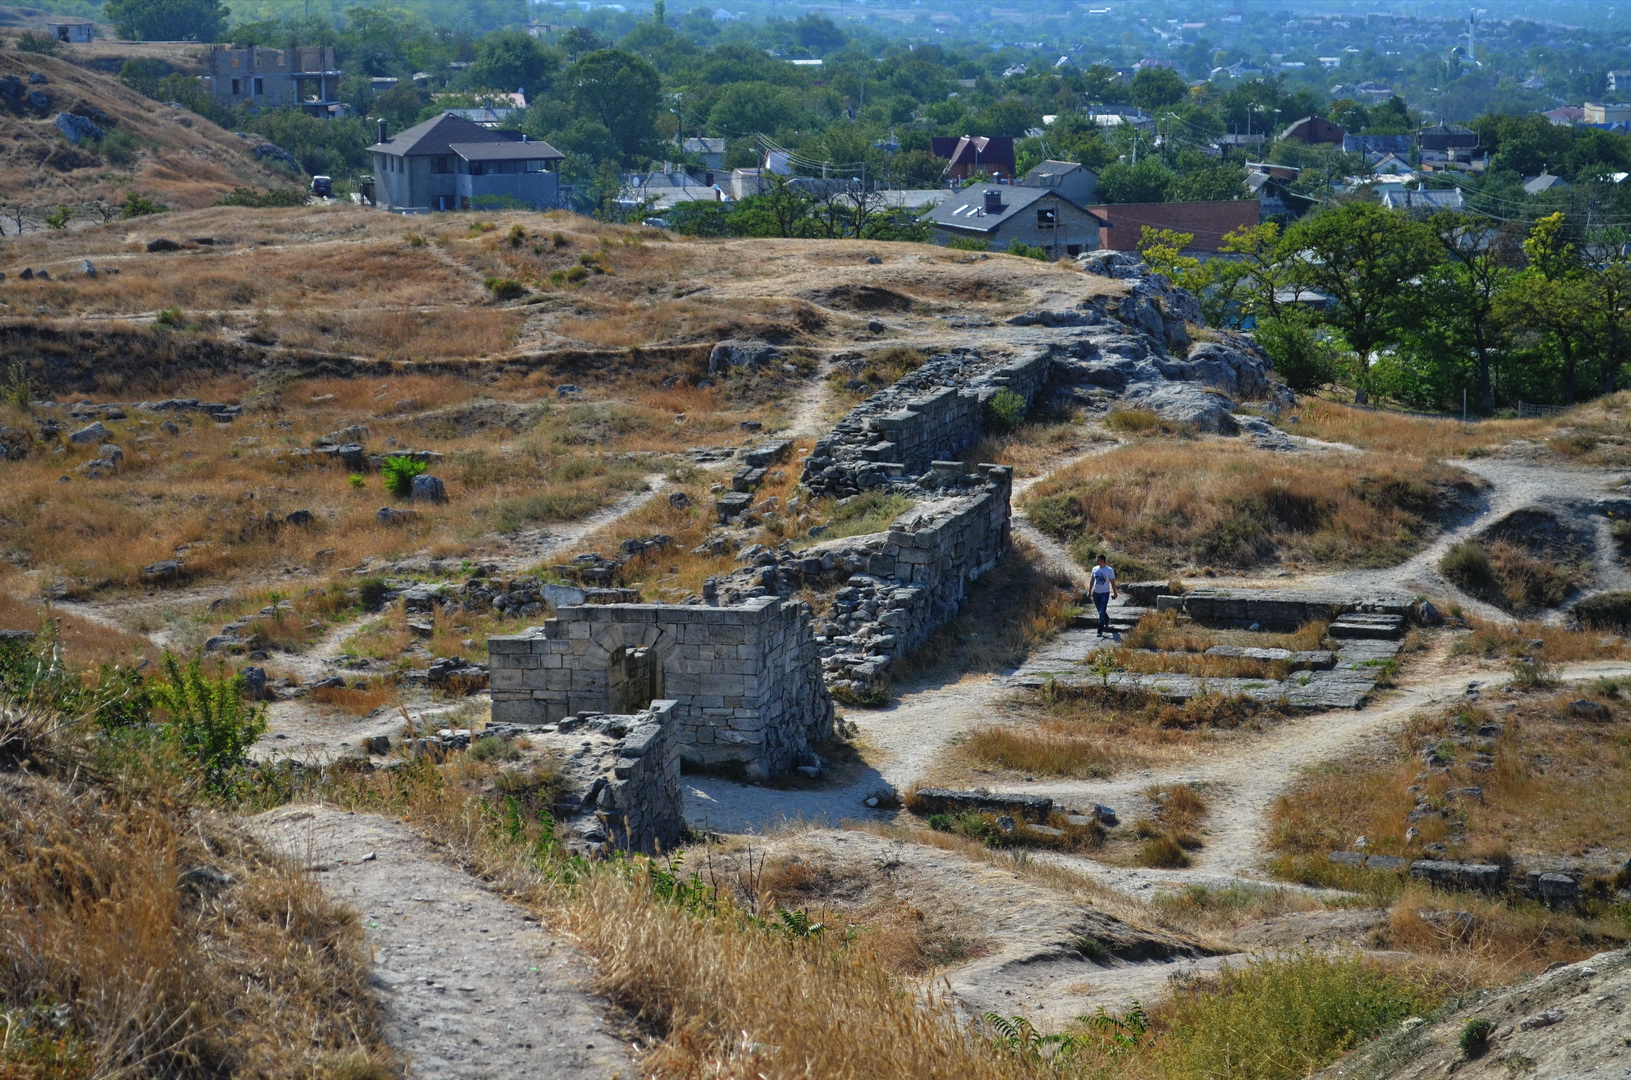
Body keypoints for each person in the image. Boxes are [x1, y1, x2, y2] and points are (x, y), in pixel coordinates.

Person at [1090, 554, 1117, 636]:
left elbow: (1112, 582)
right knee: (1100, 610)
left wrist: (1115, 593)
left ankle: (1100, 630)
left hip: (1105, 593)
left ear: (1102, 560)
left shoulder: (1109, 570)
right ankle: (1107, 619)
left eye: (1098, 559)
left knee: (1101, 612)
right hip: (1096, 593)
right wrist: (1089, 591)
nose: (1096, 561)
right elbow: (1092, 580)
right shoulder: (1095, 569)